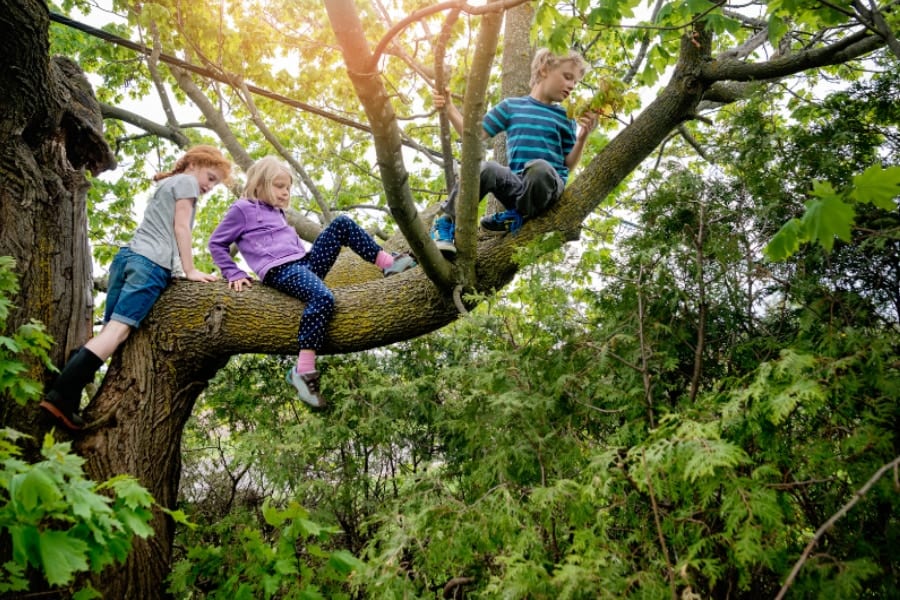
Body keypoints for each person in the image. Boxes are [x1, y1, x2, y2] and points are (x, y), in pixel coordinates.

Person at [41, 145, 233, 430]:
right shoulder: (187, 183)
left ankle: (70, 383)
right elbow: (181, 228)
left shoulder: (167, 183)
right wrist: (189, 271)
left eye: (215, 183)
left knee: (109, 333)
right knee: (118, 333)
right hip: (150, 264)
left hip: (127, 258)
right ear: (194, 164)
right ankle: (61, 395)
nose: (210, 186)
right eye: (211, 177)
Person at [208, 156, 416, 409]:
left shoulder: (277, 212)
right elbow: (216, 243)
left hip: (303, 263)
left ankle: (388, 263)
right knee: (323, 298)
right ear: (260, 183)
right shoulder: (241, 209)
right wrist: (233, 272)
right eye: (280, 186)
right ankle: (303, 371)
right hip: (280, 270)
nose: (285, 193)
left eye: (288, 188)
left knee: (341, 224)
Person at [430, 48, 599, 254]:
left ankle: (517, 214)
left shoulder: (565, 117)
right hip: (518, 188)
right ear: (545, 69)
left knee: (540, 168)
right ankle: (446, 222)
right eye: (567, 77)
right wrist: (449, 108)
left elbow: (568, 164)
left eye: (575, 82)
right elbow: (474, 135)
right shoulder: (511, 107)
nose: (572, 86)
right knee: (486, 168)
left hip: (548, 189)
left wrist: (582, 138)